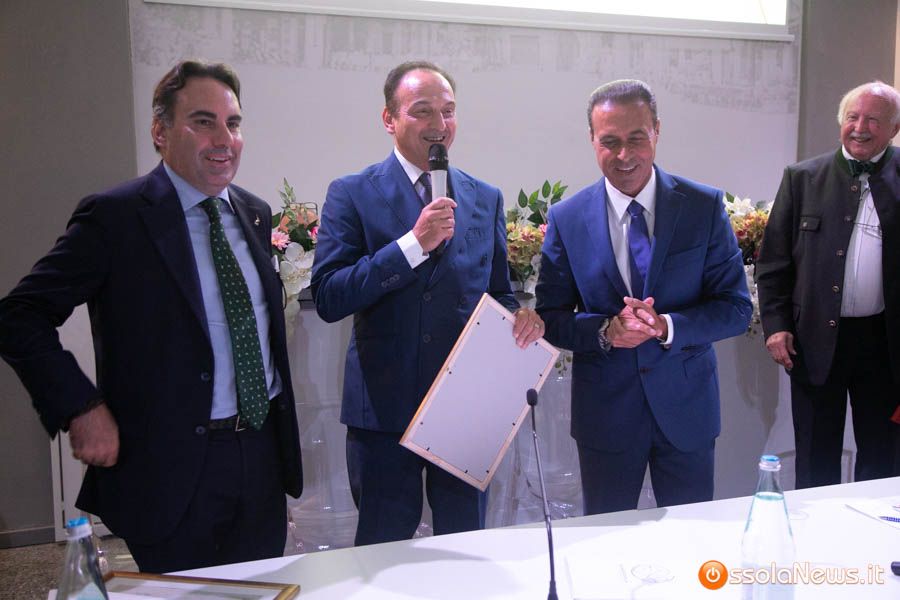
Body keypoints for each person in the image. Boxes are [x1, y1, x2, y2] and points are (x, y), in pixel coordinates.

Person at [0, 60, 303, 572]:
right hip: (170, 469)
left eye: (232, 123)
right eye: (203, 121)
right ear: (160, 132)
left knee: (258, 589)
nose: (224, 139)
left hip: (260, 458)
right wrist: (81, 407)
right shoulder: (116, 217)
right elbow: (18, 315)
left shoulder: (254, 213)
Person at [311, 60, 544, 546]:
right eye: (422, 111)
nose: (439, 124)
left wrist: (520, 316)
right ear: (389, 119)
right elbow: (330, 295)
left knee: (466, 547)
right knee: (383, 552)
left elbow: (497, 292)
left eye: (449, 111)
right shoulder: (352, 193)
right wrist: (412, 245)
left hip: (465, 410)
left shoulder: (485, 197)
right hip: (384, 411)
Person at [536, 79, 751, 515]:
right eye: (609, 142)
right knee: (605, 541)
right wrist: (605, 331)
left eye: (636, 138)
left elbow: (735, 309)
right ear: (592, 140)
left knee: (691, 540)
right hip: (605, 415)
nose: (624, 155)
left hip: (686, 411)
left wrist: (667, 326)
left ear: (656, 130)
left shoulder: (703, 207)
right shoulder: (567, 218)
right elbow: (551, 317)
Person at [755, 80, 900, 489]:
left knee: (884, 459)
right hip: (815, 341)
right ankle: (815, 531)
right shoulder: (802, 178)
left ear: (894, 128)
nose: (860, 127)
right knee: (815, 458)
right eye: (853, 117)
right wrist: (776, 326)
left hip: (886, 346)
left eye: (874, 120)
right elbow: (773, 263)